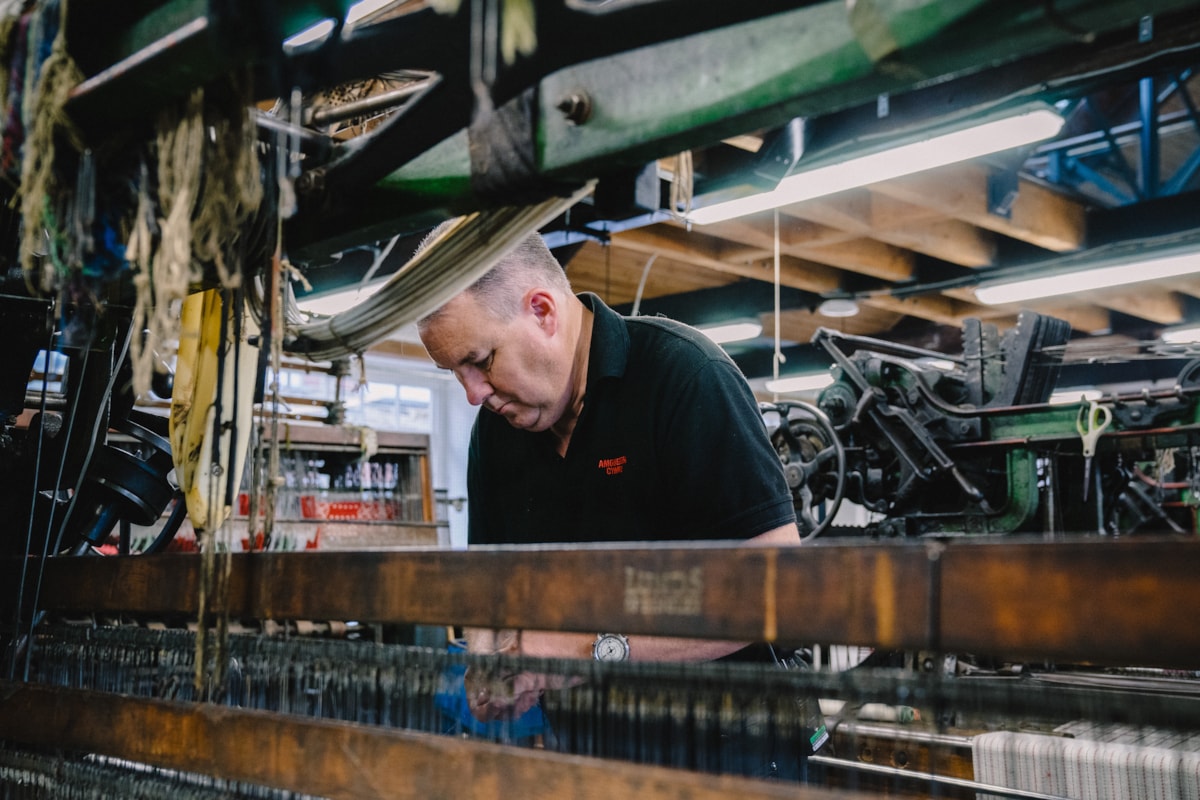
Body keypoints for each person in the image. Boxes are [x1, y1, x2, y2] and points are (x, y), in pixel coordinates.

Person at [417, 227, 818, 779]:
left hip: (730, 755)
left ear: (541, 311)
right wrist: (489, 661)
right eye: (455, 373)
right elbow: (493, 582)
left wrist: (589, 649)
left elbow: (783, 591)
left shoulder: (684, 376)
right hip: (595, 756)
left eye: (481, 361)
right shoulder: (496, 432)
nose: (472, 394)